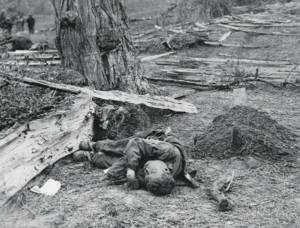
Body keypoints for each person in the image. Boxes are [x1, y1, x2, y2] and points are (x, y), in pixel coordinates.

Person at [73, 129, 199, 195]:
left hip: (152, 158)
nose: (147, 170)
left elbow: (139, 176)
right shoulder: (168, 151)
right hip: (152, 141)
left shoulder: (155, 179)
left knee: (121, 163)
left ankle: (92, 157)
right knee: (122, 147)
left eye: (147, 174)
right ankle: (94, 145)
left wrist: (132, 180)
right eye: (152, 171)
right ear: (166, 170)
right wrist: (131, 171)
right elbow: (136, 144)